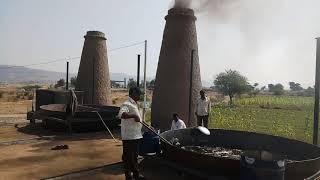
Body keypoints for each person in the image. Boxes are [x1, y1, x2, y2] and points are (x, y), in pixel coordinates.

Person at [118, 87, 145, 180]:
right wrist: (133, 115)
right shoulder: (126, 104)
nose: (140, 96)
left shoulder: (136, 105)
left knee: (134, 156)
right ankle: (132, 176)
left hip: (136, 135)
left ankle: (135, 175)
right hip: (129, 137)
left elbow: (139, 119)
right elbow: (121, 114)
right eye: (139, 94)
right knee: (129, 158)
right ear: (133, 93)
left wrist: (147, 126)